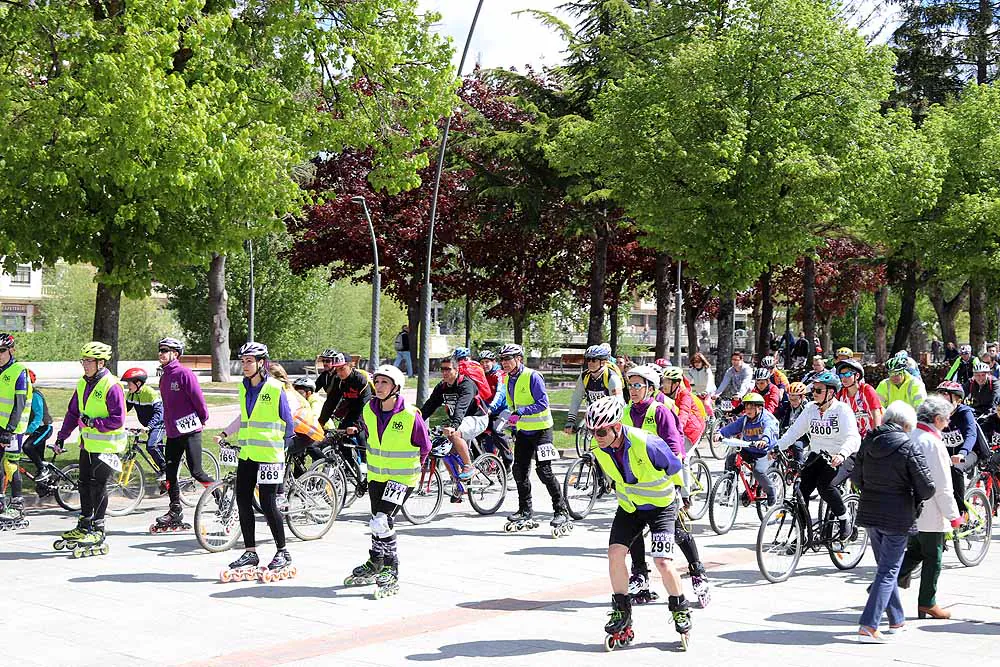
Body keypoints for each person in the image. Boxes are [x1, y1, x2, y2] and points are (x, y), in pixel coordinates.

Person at [585, 396, 691, 648]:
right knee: (614, 554)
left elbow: (675, 466)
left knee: (663, 562)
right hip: (630, 506)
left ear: (617, 427)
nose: (596, 436)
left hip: (661, 506)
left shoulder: (648, 443)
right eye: (592, 431)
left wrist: (683, 497)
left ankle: (680, 607)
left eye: (601, 431)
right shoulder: (597, 446)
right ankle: (622, 610)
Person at [626, 366, 711, 608]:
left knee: (676, 533)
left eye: (637, 385)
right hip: (636, 486)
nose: (632, 390)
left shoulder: (661, 411)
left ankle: (698, 572)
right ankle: (640, 576)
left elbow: (677, 450)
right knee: (633, 533)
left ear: (650, 388)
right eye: (630, 385)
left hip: (662, 487)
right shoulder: (626, 412)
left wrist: (679, 488)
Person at [851, 400, 935, 642]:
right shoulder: (908, 446)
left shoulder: (868, 441)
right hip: (897, 516)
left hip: (871, 513)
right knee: (888, 571)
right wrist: (911, 497)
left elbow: (856, 476)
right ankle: (868, 625)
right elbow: (927, 487)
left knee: (885, 569)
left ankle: (897, 620)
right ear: (906, 425)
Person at [344, 365, 430, 597]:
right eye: (377, 382)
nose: (379, 387)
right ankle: (376, 562)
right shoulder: (369, 410)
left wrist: (415, 471)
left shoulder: (410, 415)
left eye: (384, 383)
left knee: (383, 522)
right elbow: (371, 441)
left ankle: (392, 569)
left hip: (402, 478)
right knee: (375, 521)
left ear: (396, 388)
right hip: (377, 475)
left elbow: (425, 446)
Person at [216, 342, 296, 580]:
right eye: (243, 361)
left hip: (270, 456)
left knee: (269, 505)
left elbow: (288, 422)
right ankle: (250, 552)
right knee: (242, 501)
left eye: (250, 361)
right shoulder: (243, 387)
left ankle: (283, 551)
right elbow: (245, 417)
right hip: (248, 454)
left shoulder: (274, 388)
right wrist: (225, 433)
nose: (245, 365)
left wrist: (285, 449)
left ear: (262, 363)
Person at [52, 342, 126, 557]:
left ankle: (99, 529)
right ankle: (85, 524)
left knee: (98, 485)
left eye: (88, 361)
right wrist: (62, 437)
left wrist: (94, 422)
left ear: (100, 363)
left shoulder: (112, 385)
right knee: (83, 484)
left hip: (108, 446)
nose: (84, 364)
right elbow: (73, 413)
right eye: (83, 360)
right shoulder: (82, 383)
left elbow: (118, 419)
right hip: (88, 445)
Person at [897, 396, 962, 621]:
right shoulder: (933, 443)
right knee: (933, 556)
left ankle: (881, 587)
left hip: (909, 507)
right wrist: (953, 516)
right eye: (946, 420)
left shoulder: (910, 436)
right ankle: (927, 602)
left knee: (915, 551)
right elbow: (942, 485)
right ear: (936, 419)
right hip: (930, 510)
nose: (948, 424)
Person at [775, 370, 861, 539]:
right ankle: (802, 536)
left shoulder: (842, 410)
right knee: (800, 490)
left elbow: (853, 437)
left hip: (843, 455)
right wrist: (777, 447)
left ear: (831, 392)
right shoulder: (810, 409)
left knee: (825, 486)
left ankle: (845, 520)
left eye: (818, 390)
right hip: (818, 454)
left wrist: (842, 454)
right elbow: (794, 432)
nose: (814, 393)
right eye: (813, 390)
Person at [498, 343, 570, 533]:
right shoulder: (508, 379)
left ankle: (560, 510)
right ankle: (525, 510)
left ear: (518, 359)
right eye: (502, 359)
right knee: (519, 471)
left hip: (542, 431)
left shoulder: (533, 376)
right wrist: (511, 423)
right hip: (523, 431)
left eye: (508, 358)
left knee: (544, 472)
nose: (504, 362)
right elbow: (513, 406)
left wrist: (522, 411)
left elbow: (542, 404)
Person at [156, 337, 214, 530]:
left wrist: (203, 418)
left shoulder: (184, 374)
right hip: (173, 433)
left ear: (176, 354)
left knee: (196, 471)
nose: (161, 353)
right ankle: (175, 510)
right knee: (170, 474)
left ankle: (221, 497)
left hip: (190, 431)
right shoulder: (164, 376)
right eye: (160, 350)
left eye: (166, 350)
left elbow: (198, 398)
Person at [421, 356, 488, 479]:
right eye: (442, 369)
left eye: (448, 369)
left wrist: (453, 426)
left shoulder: (467, 385)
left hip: (477, 418)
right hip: (458, 421)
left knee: (454, 434)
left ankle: (469, 466)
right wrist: (416, 421)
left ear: (456, 370)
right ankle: (457, 483)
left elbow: (461, 407)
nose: (444, 372)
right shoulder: (442, 386)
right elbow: (429, 406)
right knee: (444, 449)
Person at [933, 381, 989, 515]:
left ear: (957, 400)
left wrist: (963, 453)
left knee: (956, 468)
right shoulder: (936, 414)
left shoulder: (965, 412)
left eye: (945, 396)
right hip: (947, 454)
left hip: (969, 452)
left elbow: (971, 434)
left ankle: (961, 511)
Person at [715, 392, 779, 507]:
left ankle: (771, 492)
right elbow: (731, 428)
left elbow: (769, 429)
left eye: (751, 407)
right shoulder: (744, 420)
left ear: (759, 408)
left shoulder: (766, 419)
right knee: (731, 458)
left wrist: (764, 440)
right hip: (749, 448)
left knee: (758, 471)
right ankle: (730, 484)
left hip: (765, 451)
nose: (748, 410)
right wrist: (720, 433)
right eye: (746, 406)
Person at [269, 363, 325, 476]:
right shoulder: (276, 392)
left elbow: (289, 419)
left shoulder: (289, 395)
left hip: (308, 433)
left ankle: (325, 463)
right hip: (298, 432)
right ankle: (294, 480)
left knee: (275, 454)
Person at [0, 333, 32, 529]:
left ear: (11, 350)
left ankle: (18, 504)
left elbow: (19, 404)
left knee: (11, 464)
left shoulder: (20, 371)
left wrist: (9, 429)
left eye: (2, 351)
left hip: (13, 428)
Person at [317, 351, 373, 459]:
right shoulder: (339, 381)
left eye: (342, 368)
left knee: (361, 435)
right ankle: (350, 469)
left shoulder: (360, 380)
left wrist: (357, 426)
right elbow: (330, 403)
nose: (339, 372)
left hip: (369, 410)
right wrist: (321, 422)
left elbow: (366, 405)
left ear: (350, 366)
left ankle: (366, 466)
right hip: (352, 410)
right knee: (341, 438)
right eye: (337, 369)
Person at [564, 343, 624, 434]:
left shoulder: (612, 378)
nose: (590, 363)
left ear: (603, 362)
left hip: (610, 414)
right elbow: (576, 398)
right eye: (588, 359)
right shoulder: (584, 376)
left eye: (593, 360)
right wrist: (570, 420)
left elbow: (618, 402)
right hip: (593, 413)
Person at [121, 368, 167, 486]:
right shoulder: (131, 395)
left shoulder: (150, 393)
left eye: (129, 383)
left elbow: (159, 413)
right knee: (156, 450)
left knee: (152, 446)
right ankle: (166, 483)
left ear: (138, 382)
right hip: (148, 426)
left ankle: (167, 471)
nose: (128, 386)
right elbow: (123, 411)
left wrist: (149, 426)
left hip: (160, 423)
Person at [835, 358, 884, 438]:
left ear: (857, 376)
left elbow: (876, 413)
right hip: (853, 438)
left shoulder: (867, 389)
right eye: (841, 375)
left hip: (870, 437)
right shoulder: (840, 394)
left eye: (847, 374)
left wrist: (876, 435)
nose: (843, 378)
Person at [20, 369, 53, 486]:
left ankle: (43, 470)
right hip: (36, 430)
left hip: (44, 428)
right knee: (40, 459)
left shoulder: (34, 395)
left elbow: (38, 416)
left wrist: (28, 430)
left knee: (27, 447)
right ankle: (46, 485)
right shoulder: (23, 396)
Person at [774, 382, 810, 466]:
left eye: (795, 399)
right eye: (791, 399)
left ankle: (800, 468)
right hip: (787, 433)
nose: (792, 402)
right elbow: (776, 415)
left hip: (804, 436)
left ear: (802, 397)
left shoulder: (808, 408)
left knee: (797, 446)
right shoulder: (787, 406)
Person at [685, 352, 716, 416]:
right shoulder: (692, 371)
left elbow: (710, 382)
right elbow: (687, 381)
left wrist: (706, 391)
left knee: (706, 404)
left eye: (698, 362)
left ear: (702, 362)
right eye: (695, 362)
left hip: (709, 391)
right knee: (697, 406)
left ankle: (712, 417)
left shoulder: (707, 370)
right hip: (699, 392)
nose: (697, 364)